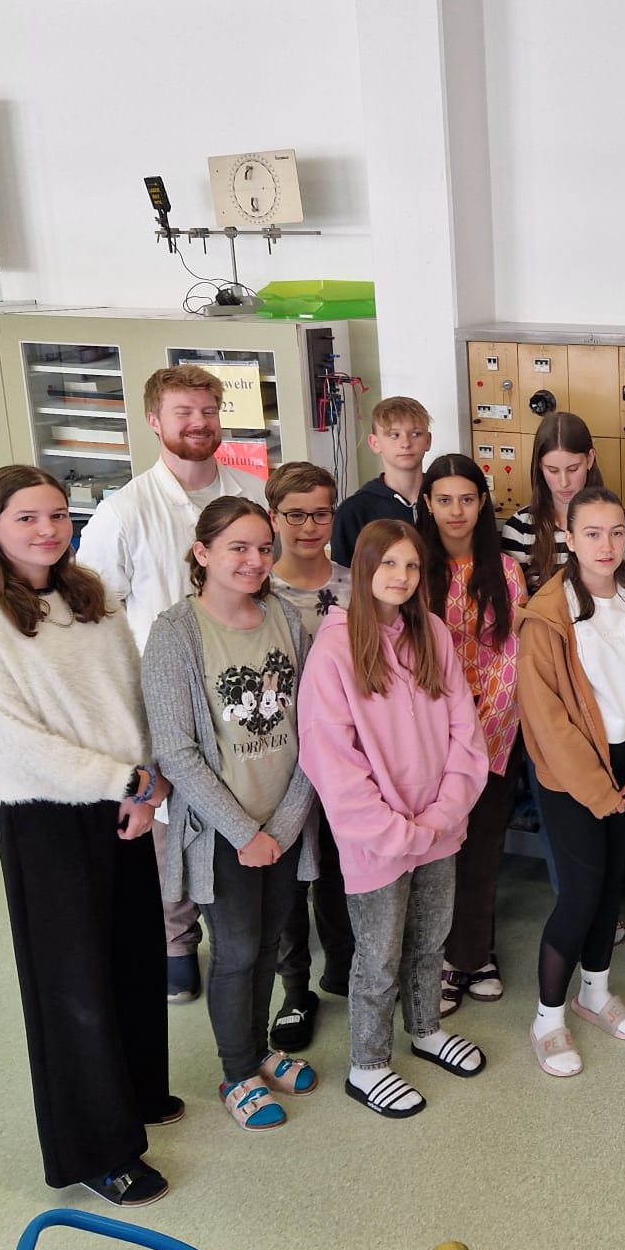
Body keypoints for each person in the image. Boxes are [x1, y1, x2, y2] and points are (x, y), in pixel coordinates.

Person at [0, 465, 179, 1206]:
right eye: (26, 519)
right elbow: (1, 739)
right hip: (47, 811)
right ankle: (99, 1150)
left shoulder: (88, 593)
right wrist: (119, 780)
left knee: (132, 957)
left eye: (57, 515)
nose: (48, 530)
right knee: (72, 987)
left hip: (122, 796)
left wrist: (146, 780)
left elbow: (130, 690)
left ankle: (139, 1091)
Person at [80, 364, 262, 1003]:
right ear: (155, 421)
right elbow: (93, 616)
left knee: (239, 805)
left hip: (241, 687)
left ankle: (243, 932)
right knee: (171, 824)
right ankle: (176, 940)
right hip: (163, 700)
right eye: (184, 412)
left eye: (209, 411)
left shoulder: (250, 494)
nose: (199, 423)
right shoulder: (124, 511)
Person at [298, 520, 492, 1118]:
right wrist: (397, 832)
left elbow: (465, 733)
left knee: (430, 940)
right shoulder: (335, 649)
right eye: (388, 564)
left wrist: (443, 814)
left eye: (411, 566)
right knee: (379, 954)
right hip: (376, 841)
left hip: (439, 829)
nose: (401, 577)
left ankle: (426, 1029)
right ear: (363, 569)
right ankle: (368, 1063)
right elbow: (330, 759)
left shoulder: (432, 632)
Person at [142, 497, 320, 1131]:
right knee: (238, 949)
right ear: (203, 553)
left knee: (271, 942)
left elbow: (315, 728)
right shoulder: (176, 633)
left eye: (264, 548)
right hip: (221, 831)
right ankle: (237, 1071)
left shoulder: (286, 618)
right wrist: (245, 832)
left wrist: (286, 823)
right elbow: (176, 751)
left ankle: (259, 1049)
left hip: (285, 822)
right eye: (238, 548)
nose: (254, 560)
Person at [515, 487, 625, 1077]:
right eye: (591, 533)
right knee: (581, 894)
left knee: (611, 889)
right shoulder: (546, 613)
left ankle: (595, 992)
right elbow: (546, 717)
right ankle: (547, 1019)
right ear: (569, 539)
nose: (605, 545)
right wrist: (599, 791)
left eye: (614, 533)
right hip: (573, 772)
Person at [421, 454, 527, 1016]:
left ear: (482, 503)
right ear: (428, 504)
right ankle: (439, 959)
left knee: (483, 849)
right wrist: (443, 730)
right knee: (437, 855)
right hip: (427, 740)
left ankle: (475, 954)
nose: (456, 511)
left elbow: (512, 658)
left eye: (466, 499)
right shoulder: (412, 567)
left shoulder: (505, 571)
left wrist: (477, 733)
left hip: (491, 736)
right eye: (444, 500)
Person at [263, 461, 356, 1054]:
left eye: (321, 513)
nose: (309, 526)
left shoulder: (354, 584)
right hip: (280, 758)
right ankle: (295, 988)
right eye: (295, 515)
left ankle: (346, 966)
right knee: (290, 874)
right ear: (273, 517)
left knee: (345, 865)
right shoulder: (258, 590)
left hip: (346, 753)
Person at [502, 411, 625, 593]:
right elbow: (518, 602)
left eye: (573, 469)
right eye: (553, 470)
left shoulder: (623, 523)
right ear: (540, 466)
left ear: (590, 459)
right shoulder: (519, 528)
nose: (564, 482)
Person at [331, 396, 435, 565]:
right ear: (374, 443)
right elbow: (344, 575)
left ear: (428, 441)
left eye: (416, 434)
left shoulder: (446, 499)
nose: (406, 443)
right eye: (394, 435)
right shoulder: (355, 511)